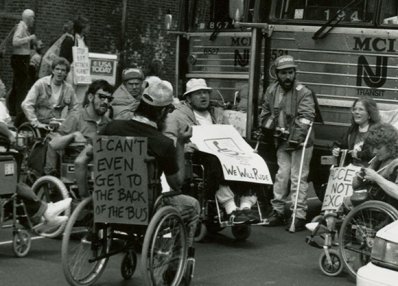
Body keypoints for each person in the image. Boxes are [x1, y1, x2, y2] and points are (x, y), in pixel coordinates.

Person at [99, 80, 199, 285]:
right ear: (163, 113)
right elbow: (177, 183)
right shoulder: (162, 144)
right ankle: (175, 268)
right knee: (192, 206)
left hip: (108, 200)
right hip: (145, 207)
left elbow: (89, 159)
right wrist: (180, 143)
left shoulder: (111, 127)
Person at [163, 78, 258, 224]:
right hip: (197, 155)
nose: (203, 96)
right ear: (188, 98)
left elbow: (231, 134)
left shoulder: (218, 113)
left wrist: (246, 148)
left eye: (205, 93)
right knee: (215, 161)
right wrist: (187, 146)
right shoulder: (177, 115)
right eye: (198, 93)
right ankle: (230, 208)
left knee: (250, 158)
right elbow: (170, 139)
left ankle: (246, 206)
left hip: (225, 151)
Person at [259, 55, 316, 232]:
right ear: (277, 74)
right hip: (281, 140)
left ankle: (298, 214)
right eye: (284, 73)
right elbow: (265, 112)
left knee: (298, 177)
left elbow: (307, 117)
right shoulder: (271, 90)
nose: (288, 76)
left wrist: (295, 137)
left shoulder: (303, 92)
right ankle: (278, 210)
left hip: (300, 142)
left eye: (290, 72)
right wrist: (271, 127)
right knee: (282, 175)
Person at [49, 80, 113, 197]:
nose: (106, 102)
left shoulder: (109, 124)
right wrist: (73, 135)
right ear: (90, 97)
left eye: (109, 99)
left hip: (102, 178)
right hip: (76, 178)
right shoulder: (76, 117)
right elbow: (54, 144)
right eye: (102, 97)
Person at [21, 57, 78, 129]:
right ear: (53, 70)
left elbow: (75, 108)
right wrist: (35, 122)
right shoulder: (41, 84)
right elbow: (26, 104)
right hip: (40, 123)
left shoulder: (68, 89)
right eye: (57, 69)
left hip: (57, 124)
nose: (59, 72)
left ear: (66, 73)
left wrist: (69, 122)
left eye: (63, 70)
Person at [351, 122, 398, 208]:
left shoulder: (396, 165)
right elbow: (354, 186)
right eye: (372, 147)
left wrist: (376, 177)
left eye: (379, 148)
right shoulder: (377, 160)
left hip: (385, 211)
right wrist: (359, 178)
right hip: (370, 206)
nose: (374, 152)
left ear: (390, 145)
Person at [332, 97, 380, 167]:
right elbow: (339, 144)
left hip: (367, 171)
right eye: (354, 109)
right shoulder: (351, 130)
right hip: (348, 171)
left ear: (369, 114)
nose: (356, 112)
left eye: (361, 109)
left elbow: (376, 153)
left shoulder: (377, 131)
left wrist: (359, 154)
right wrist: (335, 149)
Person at [9, 9, 37, 127]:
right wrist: (29, 38)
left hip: (21, 59)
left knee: (17, 87)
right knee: (21, 88)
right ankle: (19, 115)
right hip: (20, 60)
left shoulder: (23, 27)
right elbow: (15, 42)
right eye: (33, 18)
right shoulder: (21, 27)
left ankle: (13, 112)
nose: (34, 20)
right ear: (28, 18)